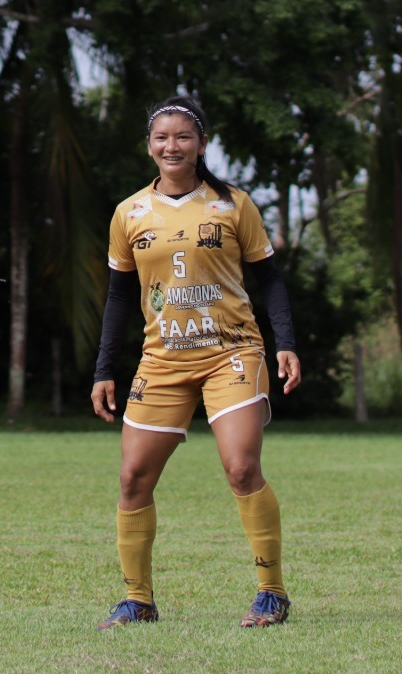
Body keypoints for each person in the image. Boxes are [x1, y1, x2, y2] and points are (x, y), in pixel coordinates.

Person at [90, 95, 300, 631]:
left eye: (183, 136)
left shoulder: (232, 205)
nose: (172, 146)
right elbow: (118, 297)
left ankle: (271, 593)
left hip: (231, 352)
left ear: (201, 145)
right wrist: (103, 369)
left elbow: (269, 279)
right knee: (133, 477)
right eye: (162, 137)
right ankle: (138, 601)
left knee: (240, 466)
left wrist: (285, 342)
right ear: (149, 147)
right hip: (162, 362)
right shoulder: (129, 213)